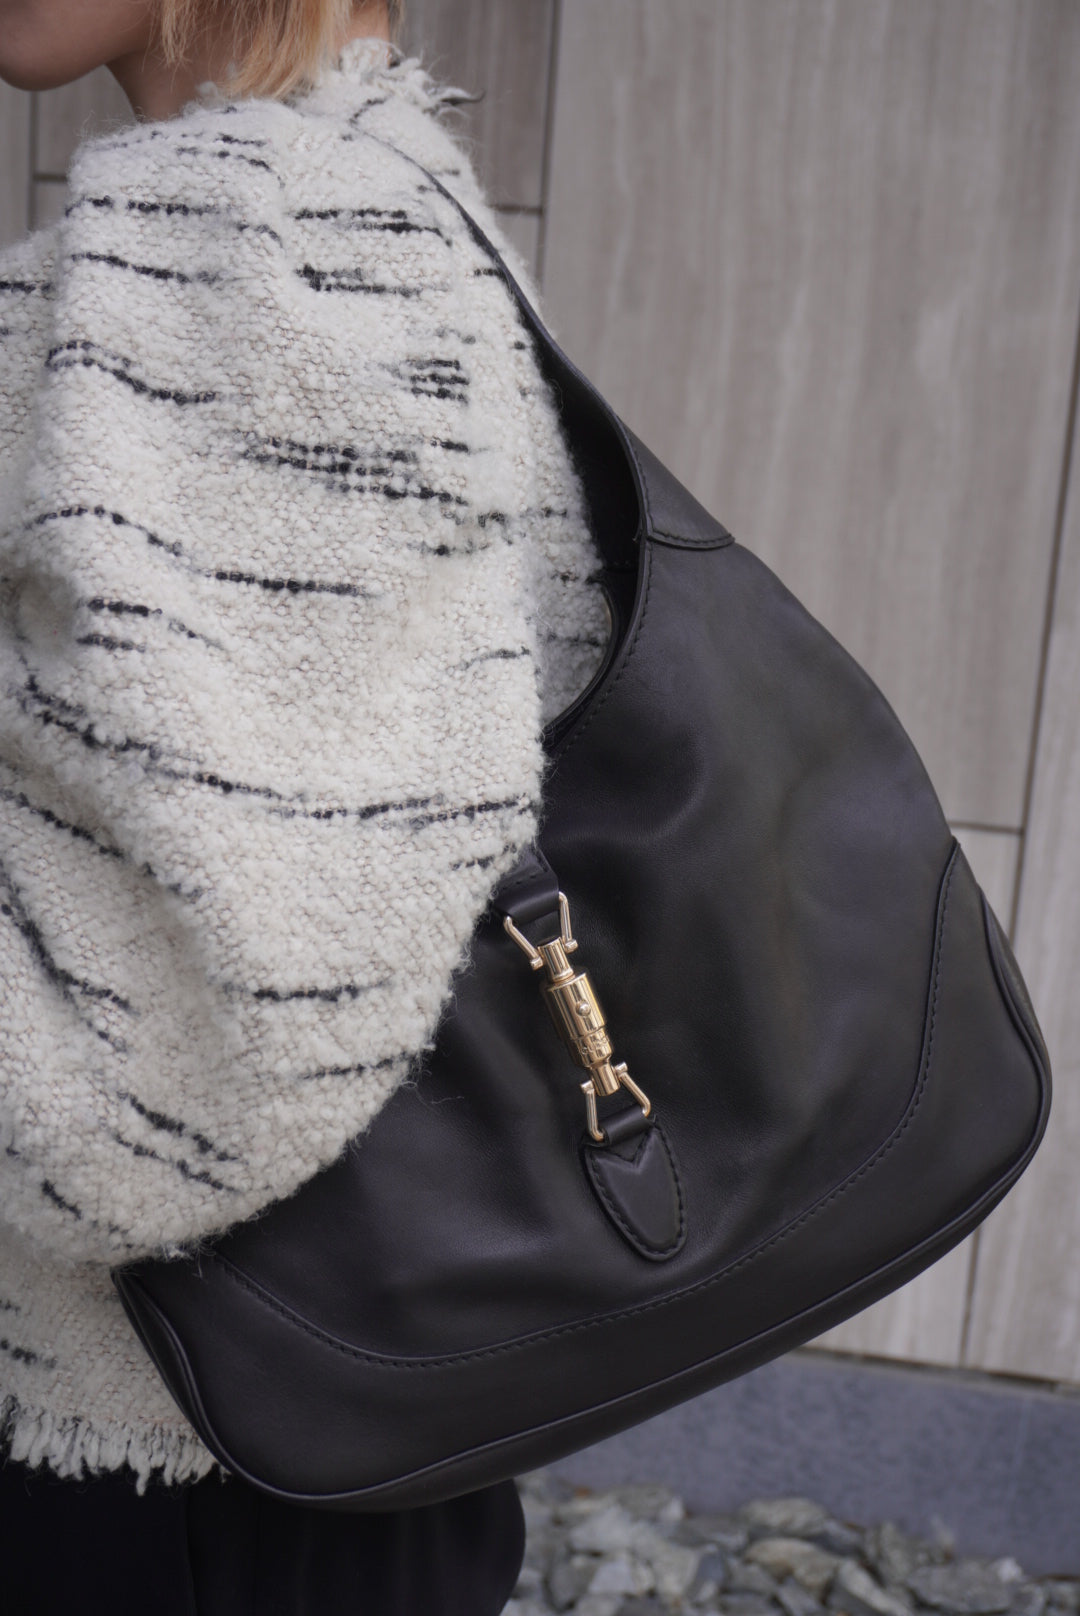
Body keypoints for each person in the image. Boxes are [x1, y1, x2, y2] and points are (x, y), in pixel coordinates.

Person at [0, 1, 609, 1608]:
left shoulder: (255, 236)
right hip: (287, 1411)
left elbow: (239, 1022)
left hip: (170, 1447)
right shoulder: (363, 188)